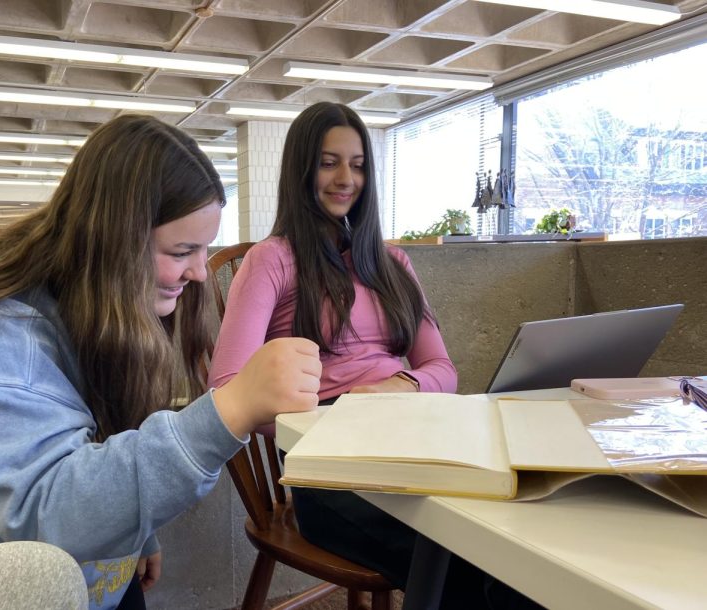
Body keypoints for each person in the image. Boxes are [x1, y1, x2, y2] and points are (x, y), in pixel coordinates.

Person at [0, 115, 322, 610]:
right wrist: (229, 411)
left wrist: (135, 532)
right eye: (182, 250)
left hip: (84, 567)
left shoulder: (96, 297)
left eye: (204, 249)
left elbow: (101, 435)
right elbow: (48, 514)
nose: (200, 272)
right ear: (115, 239)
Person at [208, 102, 538, 608]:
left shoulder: (393, 263)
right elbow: (227, 388)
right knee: (462, 564)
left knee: (514, 547)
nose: (346, 178)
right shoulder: (273, 259)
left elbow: (443, 371)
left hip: (413, 444)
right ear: (301, 169)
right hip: (327, 467)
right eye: (328, 162)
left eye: (358, 164)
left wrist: (398, 387)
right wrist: (334, 418)